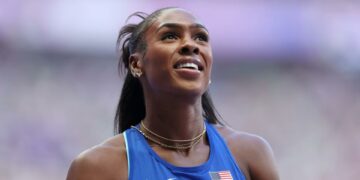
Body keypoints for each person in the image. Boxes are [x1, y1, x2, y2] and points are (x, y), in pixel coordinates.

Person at [66, 7, 279, 180]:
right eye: (170, 36)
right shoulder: (98, 167)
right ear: (136, 64)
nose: (190, 45)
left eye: (200, 37)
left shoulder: (251, 153)